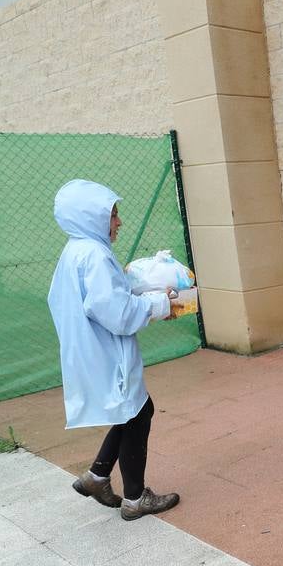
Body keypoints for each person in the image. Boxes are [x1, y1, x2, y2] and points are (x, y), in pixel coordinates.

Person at [48, 179, 184, 522]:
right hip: (106, 353)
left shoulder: (76, 250)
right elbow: (118, 314)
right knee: (137, 413)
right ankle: (136, 499)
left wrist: (141, 293)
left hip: (90, 350)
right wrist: (159, 303)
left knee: (131, 411)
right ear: (90, 217)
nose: (119, 222)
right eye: (113, 215)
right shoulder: (94, 256)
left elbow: (107, 298)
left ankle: (97, 477)